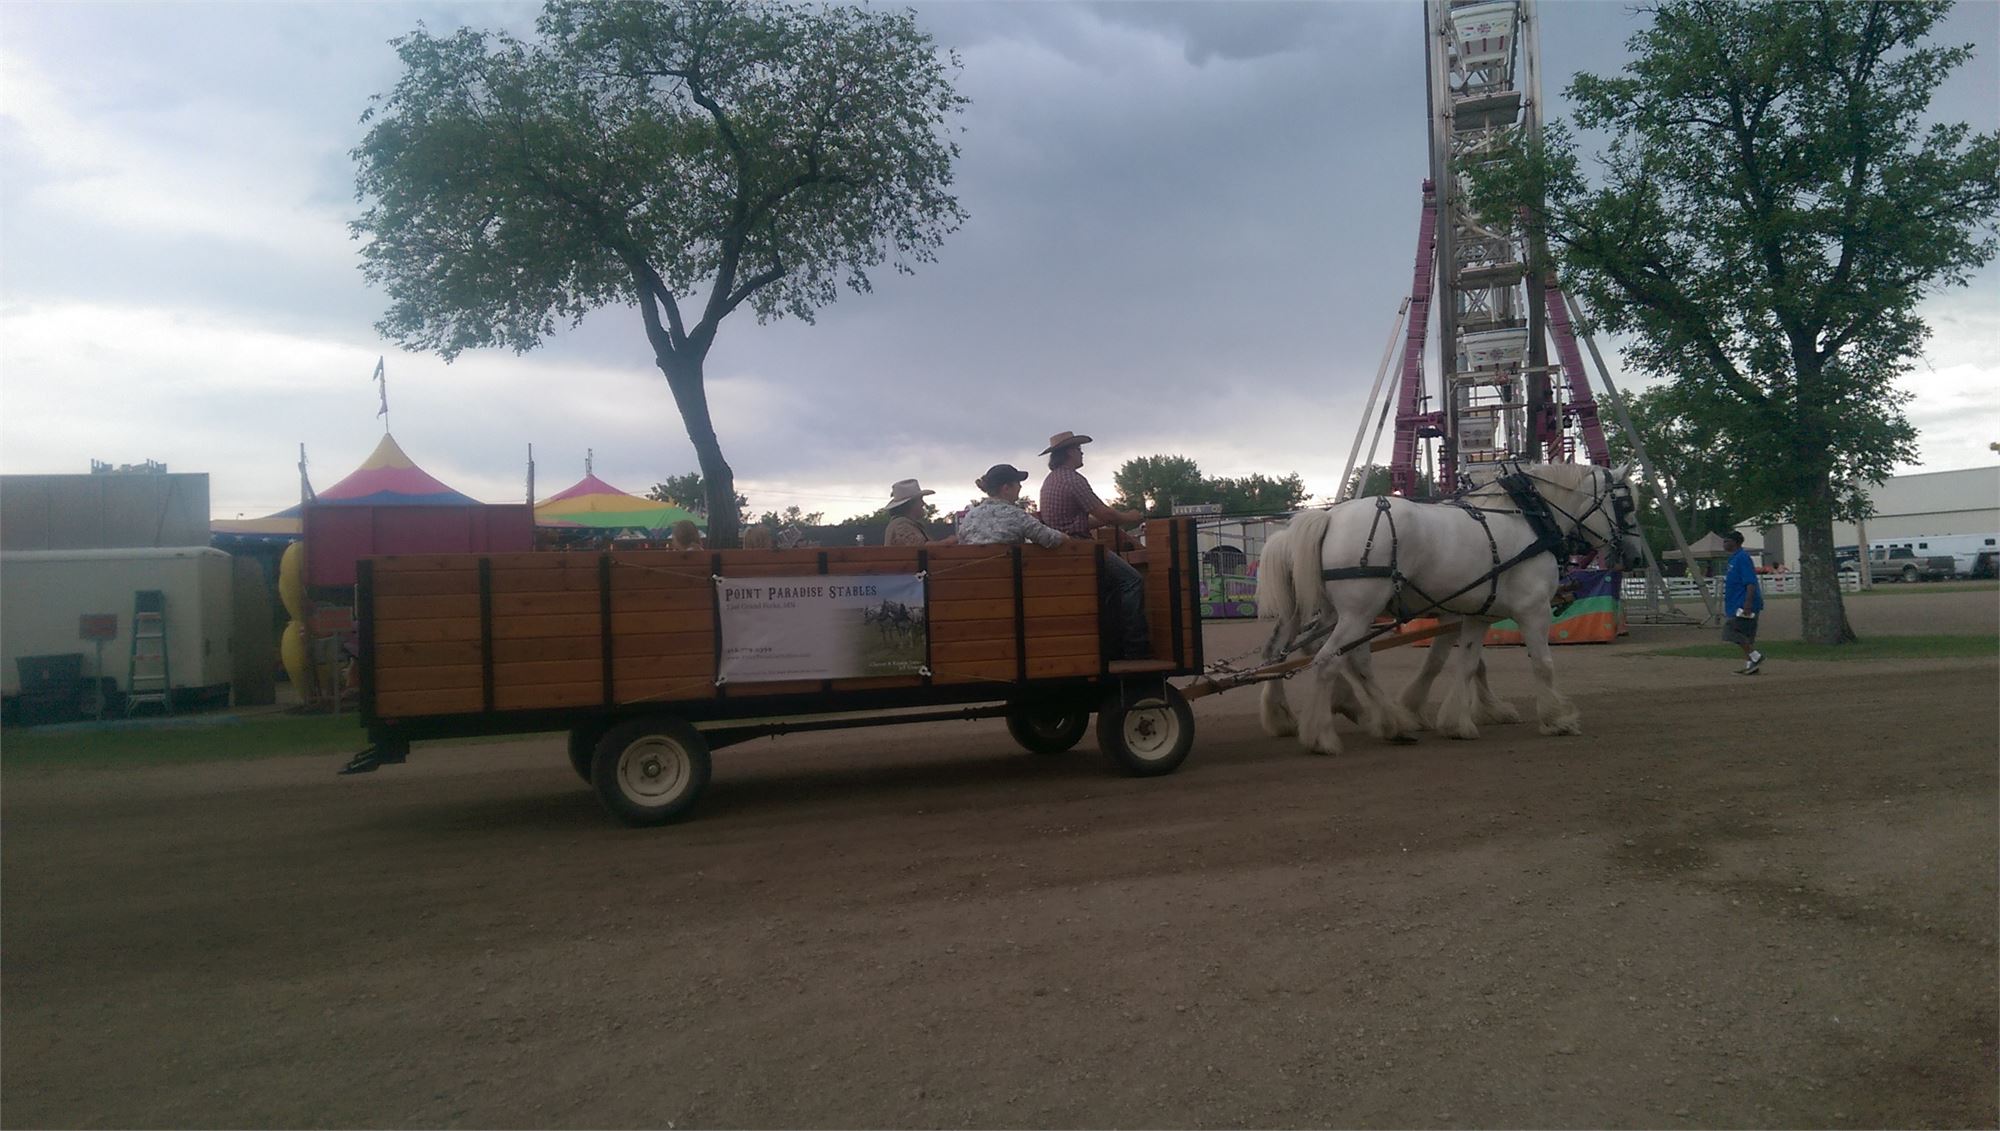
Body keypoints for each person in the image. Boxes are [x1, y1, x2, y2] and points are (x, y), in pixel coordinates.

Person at [1037, 431, 1149, 660]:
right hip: (1080, 547)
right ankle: (1135, 648)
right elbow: (1105, 513)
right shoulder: (1073, 479)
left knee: (1111, 587)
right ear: (1069, 452)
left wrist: (1113, 517)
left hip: (1063, 547)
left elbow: (1081, 519)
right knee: (1132, 580)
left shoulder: (1051, 480)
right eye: (1079, 449)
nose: (1082, 453)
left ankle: (1111, 642)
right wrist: (1131, 516)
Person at [957, 465, 1069, 550]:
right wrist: (1066, 537)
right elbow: (1050, 538)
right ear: (1006, 488)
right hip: (1009, 577)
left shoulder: (970, 516)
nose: (1020, 486)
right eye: (1017, 482)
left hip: (975, 577)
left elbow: (961, 542)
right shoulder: (1016, 515)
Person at [1720, 529, 1765, 675]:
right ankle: (1750, 665)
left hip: (1743, 603)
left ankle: (1755, 657)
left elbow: (1750, 582)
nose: (1724, 543)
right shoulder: (1733, 559)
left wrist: (1747, 603)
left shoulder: (1742, 558)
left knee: (1730, 631)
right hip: (1735, 602)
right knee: (1746, 636)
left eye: (1727, 541)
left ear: (1736, 543)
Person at [881, 478, 957, 547]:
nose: (923, 503)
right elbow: (922, 548)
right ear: (910, 504)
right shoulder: (901, 526)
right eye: (920, 500)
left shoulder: (904, 524)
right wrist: (948, 542)